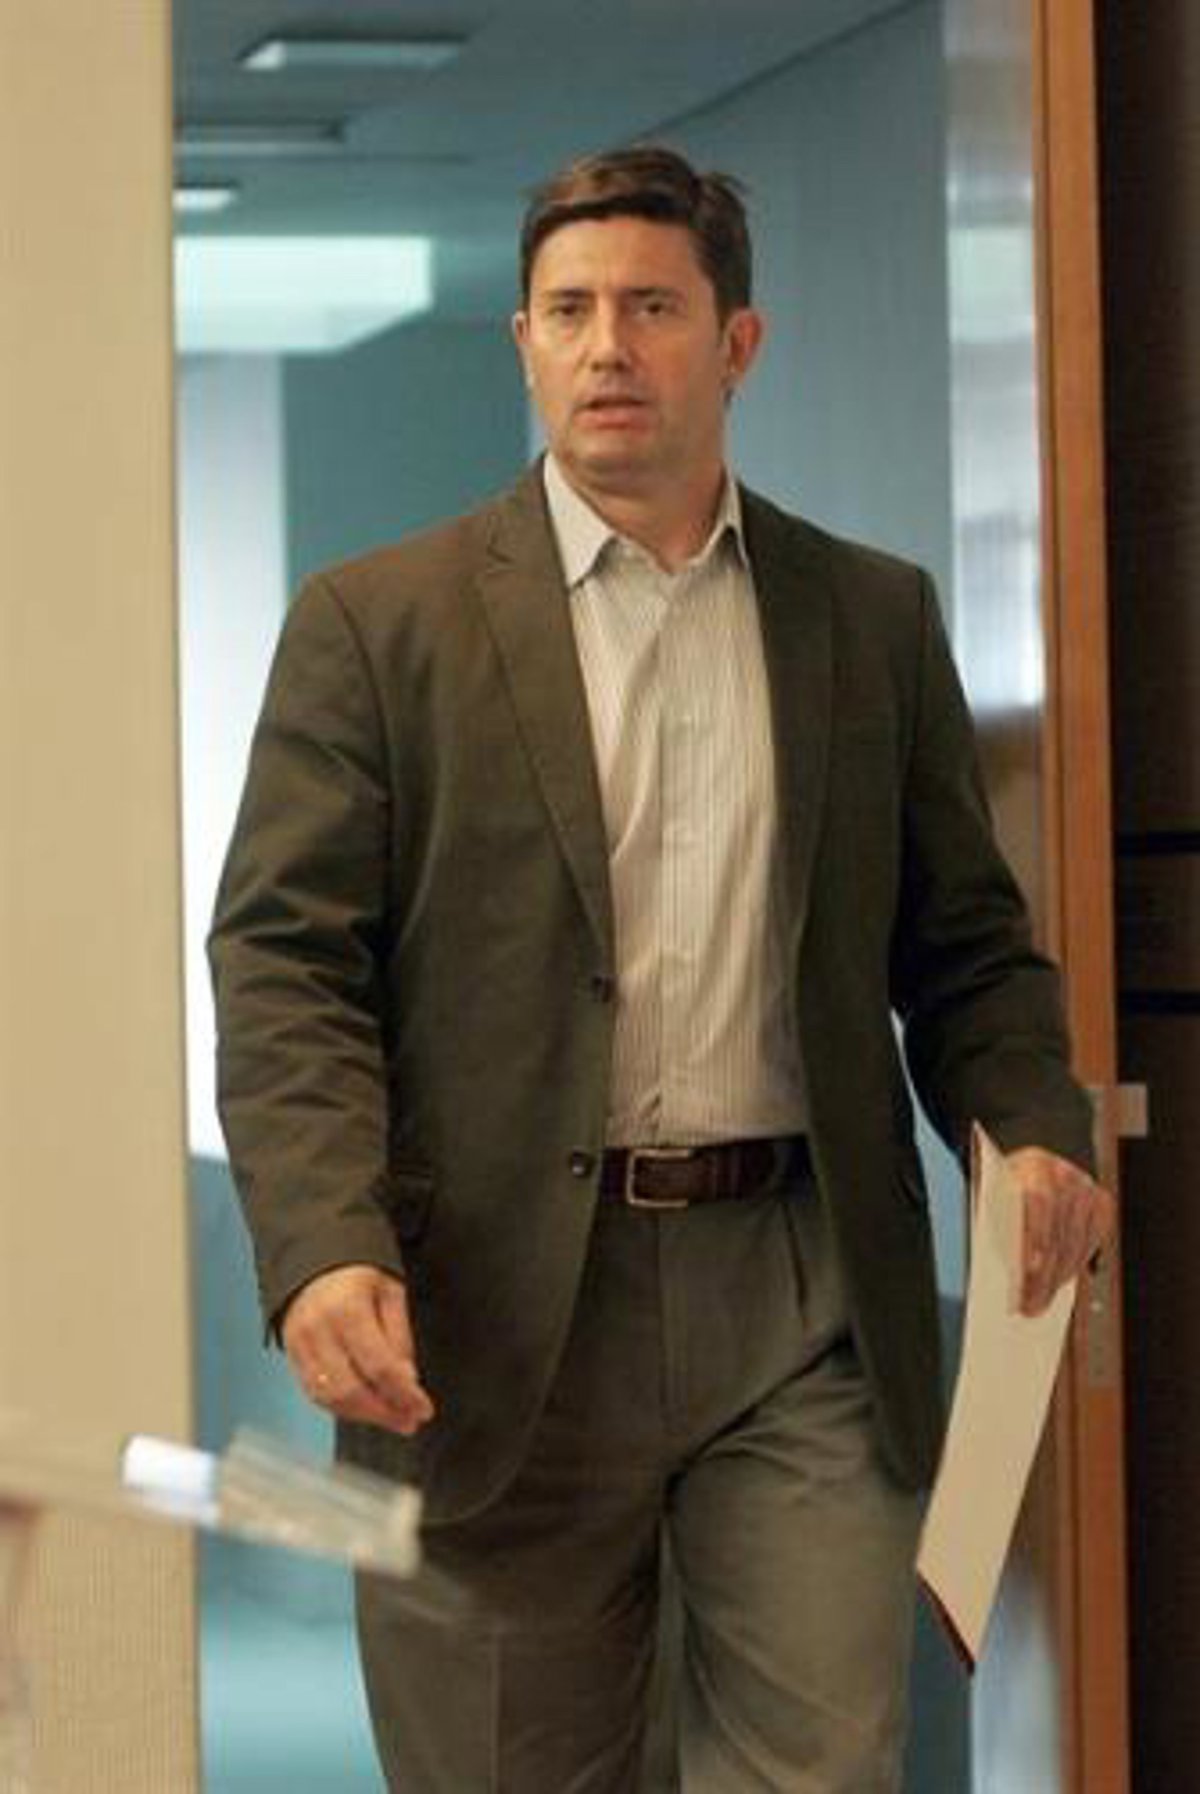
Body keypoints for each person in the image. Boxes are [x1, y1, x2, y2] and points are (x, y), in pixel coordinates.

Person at [209, 144, 1114, 1793]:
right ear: (524, 343)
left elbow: (965, 946)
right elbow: (286, 961)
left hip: (801, 1290)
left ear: (738, 342)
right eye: (568, 311)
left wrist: (1033, 1122)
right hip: (492, 1312)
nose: (606, 346)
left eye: (651, 307)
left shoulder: (868, 617)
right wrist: (324, 1240)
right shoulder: (380, 622)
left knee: (818, 1764)